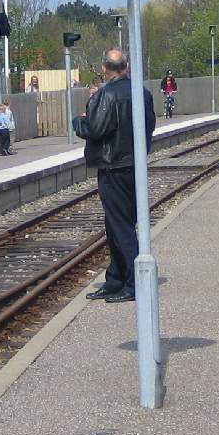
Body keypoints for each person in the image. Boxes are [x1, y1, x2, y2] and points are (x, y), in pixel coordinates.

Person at [73, 48, 155, 304]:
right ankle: (115, 278)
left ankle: (133, 282)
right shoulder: (142, 92)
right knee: (116, 225)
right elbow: (148, 125)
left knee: (120, 227)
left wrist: (79, 121)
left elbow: (95, 128)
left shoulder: (105, 95)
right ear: (126, 66)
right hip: (134, 165)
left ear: (104, 68)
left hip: (112, 167)